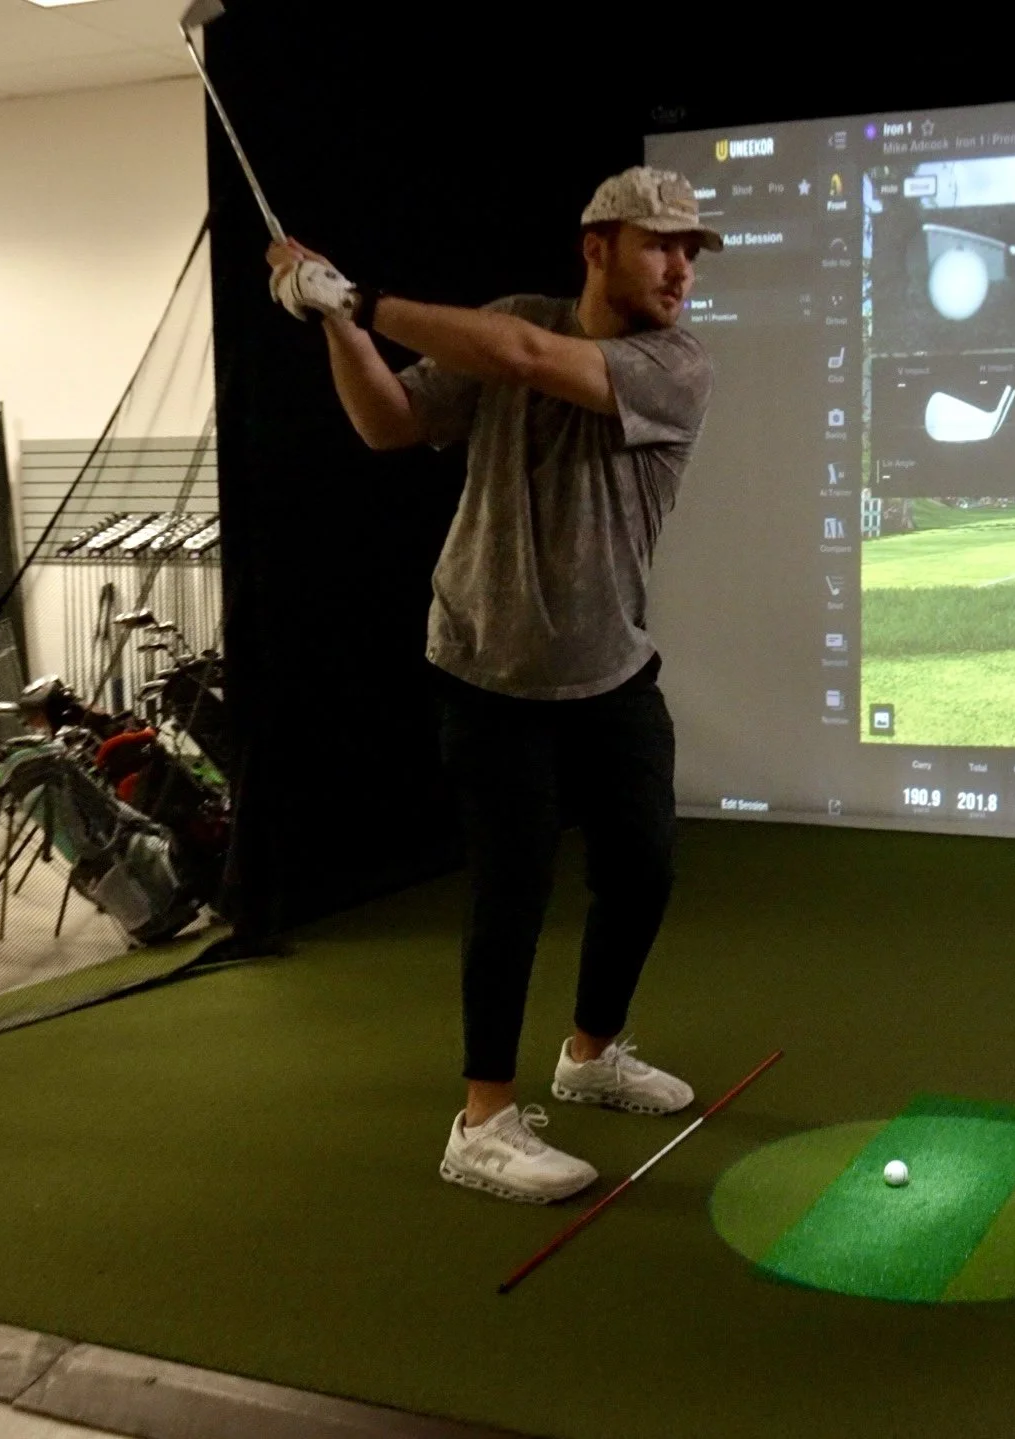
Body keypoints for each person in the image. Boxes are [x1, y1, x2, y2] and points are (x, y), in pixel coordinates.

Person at [265, 166, 722, 1204]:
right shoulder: (512, 318)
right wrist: (332, 322)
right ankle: (482, 1121)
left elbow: (524, 357)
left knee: (643, 870)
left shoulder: (676, 364)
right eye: (660, 244)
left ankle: (590, 1053)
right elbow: (389, 421)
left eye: (691, 250)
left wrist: (357, 298)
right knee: (511, 892)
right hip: (486, 667)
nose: (681, 269)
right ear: (597, 246)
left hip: (608, 665)